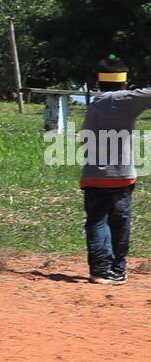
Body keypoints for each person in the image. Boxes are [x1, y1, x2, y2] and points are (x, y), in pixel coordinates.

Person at [79, 56, 151, 285]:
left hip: (92, 176)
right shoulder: (126, 99)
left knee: (97, 221)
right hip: (121, 176)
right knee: (120, 223)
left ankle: (100, 271)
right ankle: (118, 270)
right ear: (123, 83)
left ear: (99, 83)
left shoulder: (95, 103)